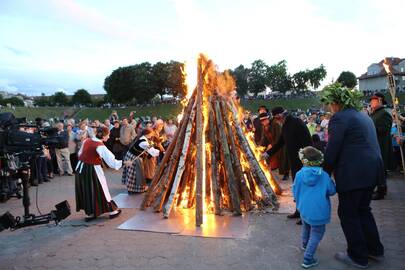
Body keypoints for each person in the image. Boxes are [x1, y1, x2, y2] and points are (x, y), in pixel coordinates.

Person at [321, 84, 384, 268]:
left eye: (330, 104)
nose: (329, 108)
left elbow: (333, 148)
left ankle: (357, 256)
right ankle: (374, 249)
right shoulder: (363, 116)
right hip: (372, 170)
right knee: (363, 210)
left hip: (354, 173)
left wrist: (324, 173)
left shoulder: (339, 118)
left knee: (348, 212)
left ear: (336, 103)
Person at [262, 106, 312, 223]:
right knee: (297, 188)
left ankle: (305, 215)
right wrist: (268, 154)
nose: (276, 121)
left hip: (303, 162)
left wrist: (308, 160)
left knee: (303, 189)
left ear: (280, 116)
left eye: (276, 118)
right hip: (294, 162)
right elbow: (280, 142)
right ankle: (298, 211)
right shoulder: (285, 126)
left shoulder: (297, 123)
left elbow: (308, 142)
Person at [293, 146, 336, 269]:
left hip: (304, 209)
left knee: (306, 227)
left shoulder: (299, 174)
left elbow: (295, 190)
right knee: (317, 233)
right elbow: (332, 191)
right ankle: (308, 258)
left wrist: (298, 201)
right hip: (319, 211)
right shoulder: (324, 176)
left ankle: (305, 245)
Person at [75, 126, 122, 221]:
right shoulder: (100, 146)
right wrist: (123, 162)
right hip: (92, 169)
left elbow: (80, 154)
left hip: (81, 169)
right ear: (103, 136)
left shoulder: (87, 141)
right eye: (108, 135)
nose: (108, 137)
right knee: (101, 188)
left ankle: (91, 213)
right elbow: (111, 162)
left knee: (87, 190)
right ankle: (112, 211)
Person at [369, 93, 393, 200]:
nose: (371, 103)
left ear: (380, 100)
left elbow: (385, 130)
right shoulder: (374, 114)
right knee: (376, 168)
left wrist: (370, 128)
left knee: (381, 168)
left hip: (381, 145)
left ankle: (381, 190)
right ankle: (378, 188)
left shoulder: (384, 114)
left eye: (373, 101)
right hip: (374, 144)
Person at [122, 128, 160, 193]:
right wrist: (161, 151)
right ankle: (133, 190)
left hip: (131, 156)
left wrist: (152, 144)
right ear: (147, 134)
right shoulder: (143, 142)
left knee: (135, 173)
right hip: (133, 158)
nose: (152, 135)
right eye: (151, 134)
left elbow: (149, 145)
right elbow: (153, 152)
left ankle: (133, 189)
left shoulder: (143, 138)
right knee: (135, 174)